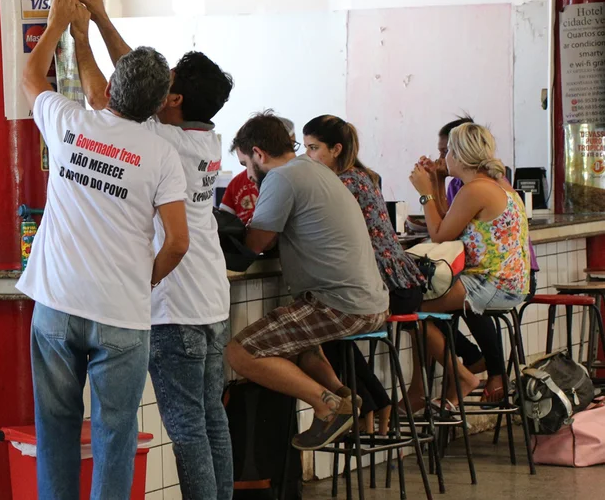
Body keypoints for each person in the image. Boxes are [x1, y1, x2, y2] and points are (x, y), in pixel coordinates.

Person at [17, 0, 190, 500]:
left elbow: (31, 78)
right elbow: (178, 242)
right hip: (122, 313)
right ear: (160, 105)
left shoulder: (70, 121)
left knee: (56, 430)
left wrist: (58, 26)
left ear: (112, 87)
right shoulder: (161, 155)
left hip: (56, 304)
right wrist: (147, 276)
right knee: (115, 436)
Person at [75, 0, 234, 499]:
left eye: (167, 86)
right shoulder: (204, 138)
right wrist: (100, 18)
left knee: (187, 427)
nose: (157, 91)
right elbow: (136, 81)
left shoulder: (162, 138)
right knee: (212, 420)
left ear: (175, 99)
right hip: (212, 302)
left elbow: (115, 93)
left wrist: (86, 31)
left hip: (177, 306)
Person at [225, 112, 389, 451]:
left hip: (339, 302)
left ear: (258, 154)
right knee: (296, 347)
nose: (247, 174)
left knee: (239, 353)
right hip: (369, 300)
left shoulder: (282, 178)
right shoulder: (313, 168)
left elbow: (256, 244)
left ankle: (327, 406)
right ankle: (342, 397)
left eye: (245, 164)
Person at [302, 114, 426, 434]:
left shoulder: (342, 182)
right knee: (331, 327)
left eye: (314, 148)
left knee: (324, 327)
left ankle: (367, 407)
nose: (307, 156)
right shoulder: (362, 175)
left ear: (336, 149)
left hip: (386, 285)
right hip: (400, 282)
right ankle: (375, 404)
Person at [408, 122, 530, 411]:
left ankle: (462, 376)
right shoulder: (491, 185)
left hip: (490, 283)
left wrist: (424, 192)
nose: (444, 155)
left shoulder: (476, 189)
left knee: (408, 311)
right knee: (418, 305)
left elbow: (438, 235)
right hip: (506, 282)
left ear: (460, 155)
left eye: (448, 149)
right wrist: (436, 183)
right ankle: (464, 365)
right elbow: (447, 222)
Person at [219, 117, 295, 225]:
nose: (248, 176)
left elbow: (259, 240)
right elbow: (223, 221)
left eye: (246, 163)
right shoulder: (237, 183)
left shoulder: (281, 183)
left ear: (259, 154)